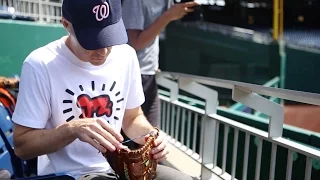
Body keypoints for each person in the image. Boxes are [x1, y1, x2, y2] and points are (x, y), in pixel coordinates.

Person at [11, 0, 195, 179]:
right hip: (70, 173)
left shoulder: (126, 55)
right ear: (66, 24)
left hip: (121, 166)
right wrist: (71, 129)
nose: (103, 52)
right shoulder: (40, 64)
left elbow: (132, 118)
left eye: (110, 37)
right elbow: (22, 147)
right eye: (92, 41)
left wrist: (150, 136)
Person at [120, 0, 199, 149]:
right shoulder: (135, 2)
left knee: (151, 141)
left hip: (149, 72)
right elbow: (135, 42)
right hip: (135, 74)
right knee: (138, 143)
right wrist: (167, 16)